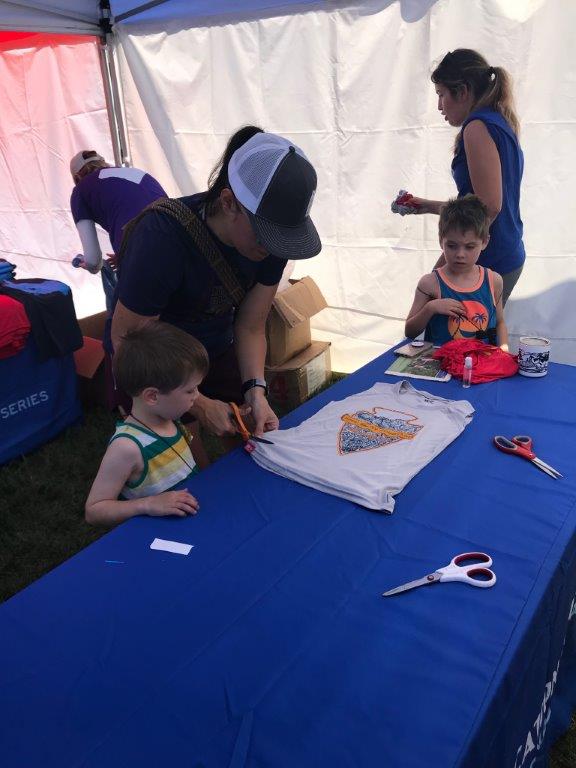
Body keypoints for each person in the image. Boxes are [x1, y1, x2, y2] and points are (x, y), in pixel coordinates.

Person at [110, 126, 322, 443]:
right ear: (228, 202)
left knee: (250, 443)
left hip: (215, 351)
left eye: (282, 238)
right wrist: (197, 403)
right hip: (151, 365)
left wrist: (256, 390)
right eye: (265, 235)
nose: (272, 248)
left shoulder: (271, 244)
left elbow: (251, 325)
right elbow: (129, 340)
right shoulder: (162, 236)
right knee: (182, 472)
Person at [402, 49, 525, 306]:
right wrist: (425, 206)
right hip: (502, 252)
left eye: (441, 94)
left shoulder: (477, 127)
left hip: (489, 258)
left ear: (463, 91)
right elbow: (480, 203)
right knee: (473, 340)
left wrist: (449, 265)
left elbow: (489, 207)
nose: (439, 106)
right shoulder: (498, 122)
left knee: (454, 339)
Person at [85, 322, 209, 525]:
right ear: (152, 396)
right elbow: (94, 510)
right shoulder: (127, 447)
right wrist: (148, 504)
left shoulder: (169, 417)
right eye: (190, 390)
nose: (197, 396)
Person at [405, 195, 509, 350]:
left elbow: (499, 322)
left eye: (469, 247)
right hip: (442, 368)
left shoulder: (494, 280)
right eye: (452, 246)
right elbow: (410, 331)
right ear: (441, 241)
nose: (460, 254)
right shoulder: (430, 283)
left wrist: (504, 350)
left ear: (485, 242)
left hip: (483, 366)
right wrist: (431, 308)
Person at [70, 150, 167, 273]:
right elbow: (144, 209)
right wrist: (125, 251)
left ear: (77, 177)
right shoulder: (133, 172)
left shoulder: (80, 190)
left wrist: (88, 264)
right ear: (102, 163)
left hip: (142, 247)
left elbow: (93, 261)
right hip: (179, 234)